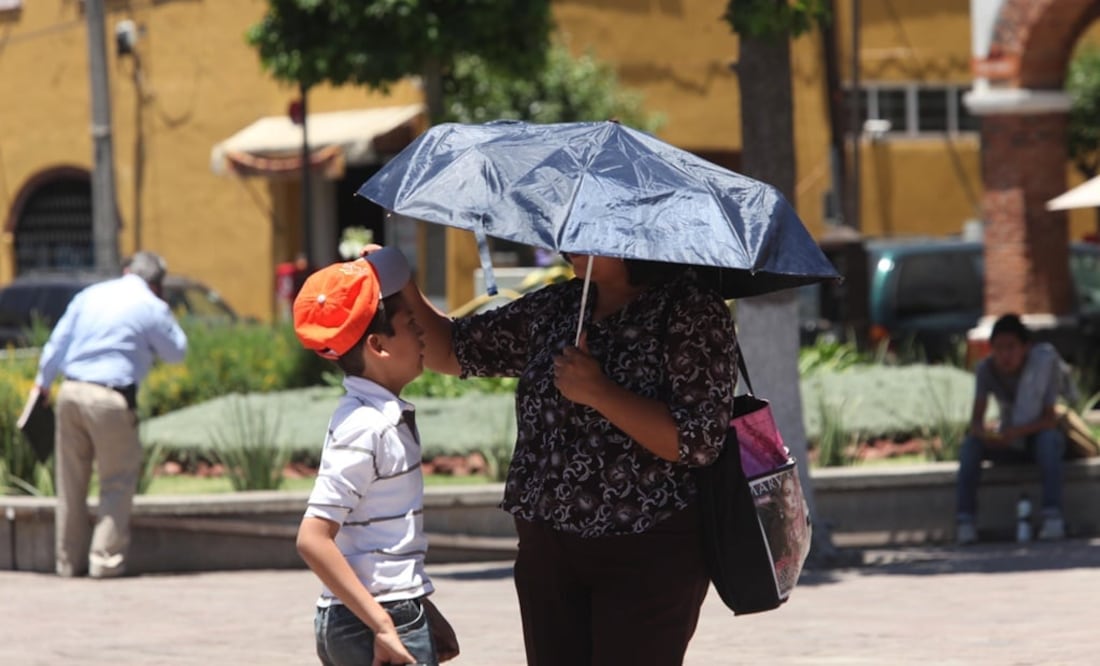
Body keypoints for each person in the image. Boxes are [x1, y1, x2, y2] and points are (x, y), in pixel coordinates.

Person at [379, 247, 738, 666]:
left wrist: (599, 392)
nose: (568, 244)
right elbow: (453, 351)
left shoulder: (691, 311)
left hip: (646, 547)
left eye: (588, 233)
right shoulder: (560, 305)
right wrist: (400, 279)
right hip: (548, 549)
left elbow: (697, 442)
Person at [293, 247, 454, 666]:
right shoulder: (367, 425)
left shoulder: (378, 417)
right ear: (378, 345)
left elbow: (383, 545)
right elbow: (313, 538)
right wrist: (384, 625)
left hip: (388, 609)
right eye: (410, 324)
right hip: (376, 617)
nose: (423, 334)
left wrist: (420, 606)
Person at [33, 251, 188, 578]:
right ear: (157, 284)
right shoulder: (151, 306)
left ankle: (66, 562)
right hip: (111, 398)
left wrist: (42, 386)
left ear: (127, 270)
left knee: (70, 483)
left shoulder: (89, 295)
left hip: (71, 393)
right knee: (116, 481)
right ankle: (104, 562)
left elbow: (56, 344)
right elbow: (177, 353)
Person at [955, 313, 1072, 545]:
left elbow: (1050, 419)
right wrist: (987, 435)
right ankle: (965, 522)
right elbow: (976, 421)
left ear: (1026, 347)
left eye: (1011, 347)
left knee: (1049, 440)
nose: (1005, 355)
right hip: (1007, 440)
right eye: (998, 348)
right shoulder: (986, 370)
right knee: (970, 447)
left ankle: (1052, 517)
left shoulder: (1042, 365)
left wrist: (1016, 433)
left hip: (1034, 438)